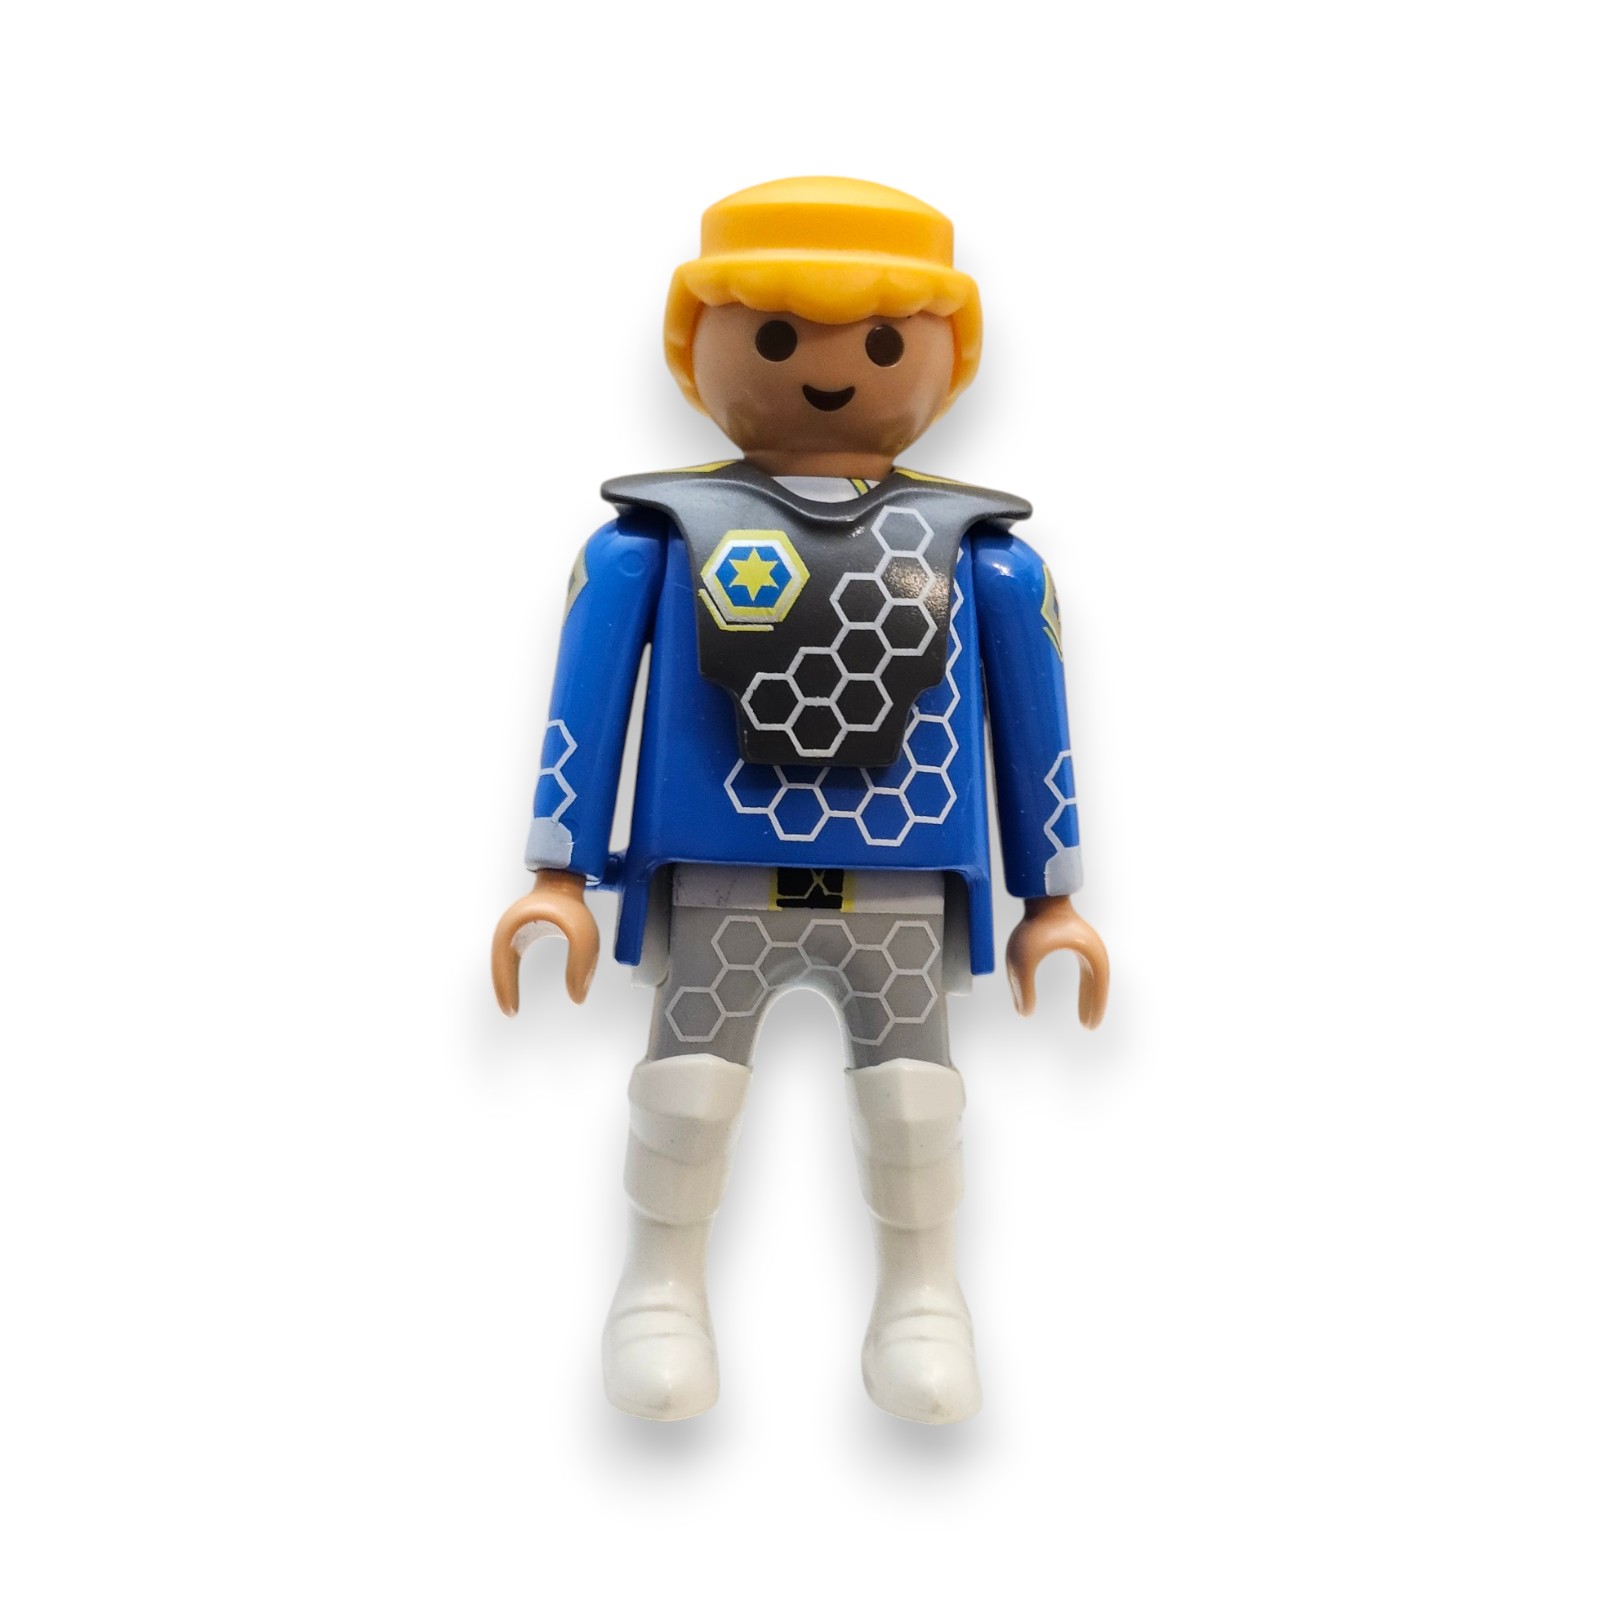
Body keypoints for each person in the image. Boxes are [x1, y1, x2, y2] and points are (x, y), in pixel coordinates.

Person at [491, 176, 1109, 1424]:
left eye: (880, 343)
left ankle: (923, 1298)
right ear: (696, 344)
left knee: (914, 1098)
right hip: (716, 875)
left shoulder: (985, 562)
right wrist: (558, 874)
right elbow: (586, 707)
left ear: (946, 356)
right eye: (776, 335)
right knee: (684, 1086)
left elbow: (1033, 726)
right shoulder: (651, 543)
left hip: (898, 883)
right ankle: (659, 1289)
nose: (829, 372)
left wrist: (1051, 897)